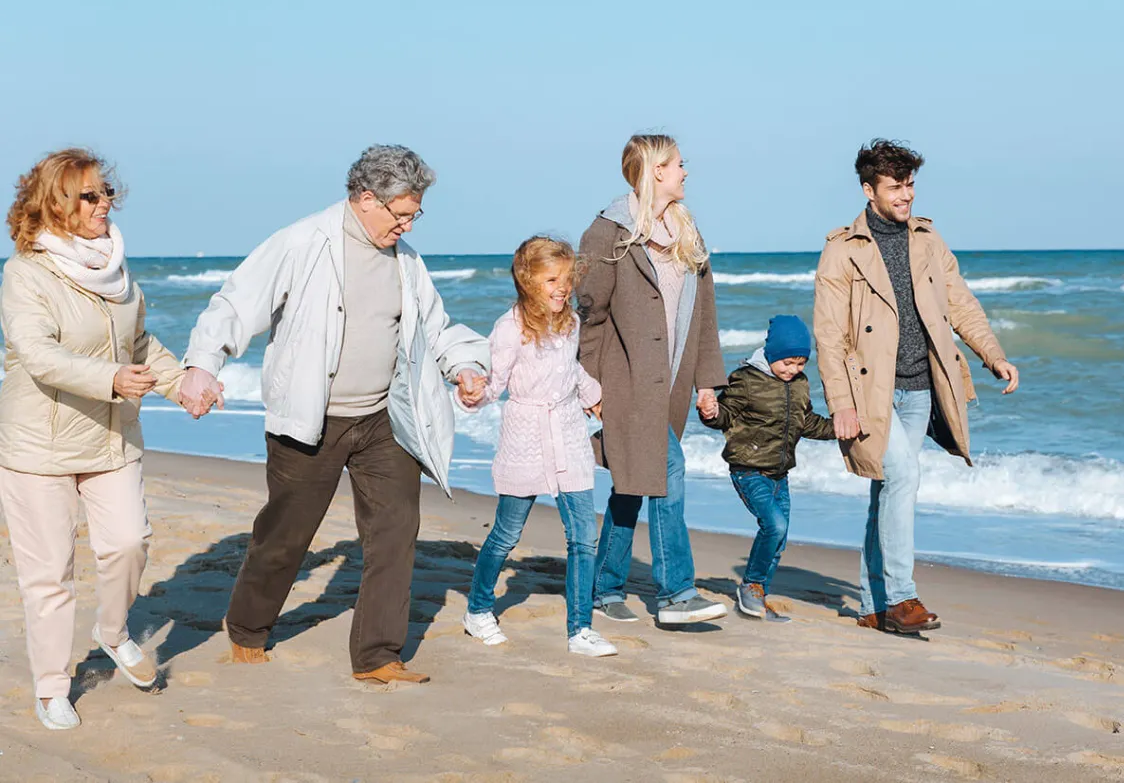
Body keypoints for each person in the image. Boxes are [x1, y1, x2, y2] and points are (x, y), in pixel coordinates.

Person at [179, 144, 489, 683]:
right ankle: (248, 628)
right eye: (401, 214)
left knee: (396, 528)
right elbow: (235, 305)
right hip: (311, 419)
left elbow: (433, 328)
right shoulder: (302, 242)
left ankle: (378, 655)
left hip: (383, 418)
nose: (407, 226)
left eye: (415, 215)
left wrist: (463, 365)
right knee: (285, 534)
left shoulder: (407, 261)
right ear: (366, 199)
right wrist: (203, 365)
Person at [0, 150, 202, 729]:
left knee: (129, 543)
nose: (104, 203)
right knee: (50, 574)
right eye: (88, 195)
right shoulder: (26, 273)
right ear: (56, 204)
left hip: (110, 437)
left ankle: (111, 633)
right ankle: (51, 687)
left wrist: (182, 384)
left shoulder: (114, 266)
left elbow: (137, 345)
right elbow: (38, 353)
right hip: (38, 446)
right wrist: (110, 379)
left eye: (105, 191)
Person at [813, 139, 1019, 634]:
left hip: (920, 389)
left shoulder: (928, 239)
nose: (906, 195)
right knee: (903, 478)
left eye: (909, 185)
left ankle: (873, 606)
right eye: (895, 187)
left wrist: (992, 354)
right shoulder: (843, 251)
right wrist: (840, 404)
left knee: (888, 491)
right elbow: (829, 334)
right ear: (869, 190)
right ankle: (903, 597)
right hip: (871, 394)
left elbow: (961, 303)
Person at [577, 133, 728, 626]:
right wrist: (588, 384)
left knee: (633, 484)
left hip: (672, 384)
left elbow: (705, 316)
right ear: (657, 170)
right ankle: (676, 594)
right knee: (668, 470)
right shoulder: (607, 232)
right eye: (679, 164)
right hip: (624, 383)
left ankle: (604, 588)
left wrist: (707, 382)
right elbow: (590, 315)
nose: (686, 171)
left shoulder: (687, 232)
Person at [460, 237, 617, 657]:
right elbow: (494, 383)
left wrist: (593, 395)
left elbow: (572, 370)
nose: (562, 288)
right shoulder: (509, 328)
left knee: (583, 536)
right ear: (528, 281)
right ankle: (478, 610)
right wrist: (473, 392)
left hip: (568, 434)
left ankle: (580, 630)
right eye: (551, 280)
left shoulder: (571, 322)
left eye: (566, 279)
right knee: (506, 534)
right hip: (526, 437)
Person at [698, 315, 835, 622]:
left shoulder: (799, 384)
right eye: (787, 362)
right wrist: (712, 412)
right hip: (748, 469)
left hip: (779, 474)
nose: (793, 369)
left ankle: (758, 595)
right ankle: (751, 585)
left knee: (779, 537)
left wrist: (837, 428)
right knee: (775, 526)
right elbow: (725, 414)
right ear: (772, 354)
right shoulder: (746, 379)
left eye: (801, 363)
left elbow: (807, 423)